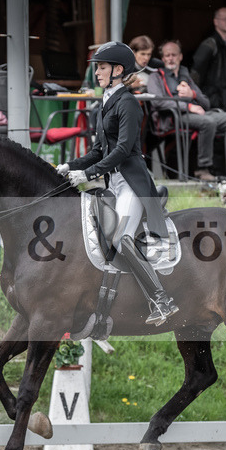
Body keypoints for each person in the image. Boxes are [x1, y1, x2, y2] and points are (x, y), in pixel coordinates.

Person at [55, 41, 178, 326]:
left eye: (101, 67)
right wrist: (70, 166)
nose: (96, 72)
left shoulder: (128, 104)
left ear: (118, 70)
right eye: (97, 67)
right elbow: (99, 150)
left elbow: (122, 150)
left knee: (121, 239)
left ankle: (161, 299)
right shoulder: (107, 102)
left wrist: (88, 174)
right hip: (113, 183)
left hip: (132, 184)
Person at [149, 40, 226, 182]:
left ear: (180, 57)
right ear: (162, 58)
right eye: (167, 55)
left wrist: (193, 95)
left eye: (174, 55)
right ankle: (202, 169)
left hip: (198, 115)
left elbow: (206, 103)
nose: (170, 58)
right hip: (174, 117)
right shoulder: (156, 77)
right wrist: (189, 106)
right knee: (208, 121)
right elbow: (158, 101)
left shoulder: (186, 76)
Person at [191, 7, 226, 111]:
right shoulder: (210, 44)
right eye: (225, 19)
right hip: (215, 99)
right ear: (216, 21)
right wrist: (197, 98)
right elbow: (196, 72)